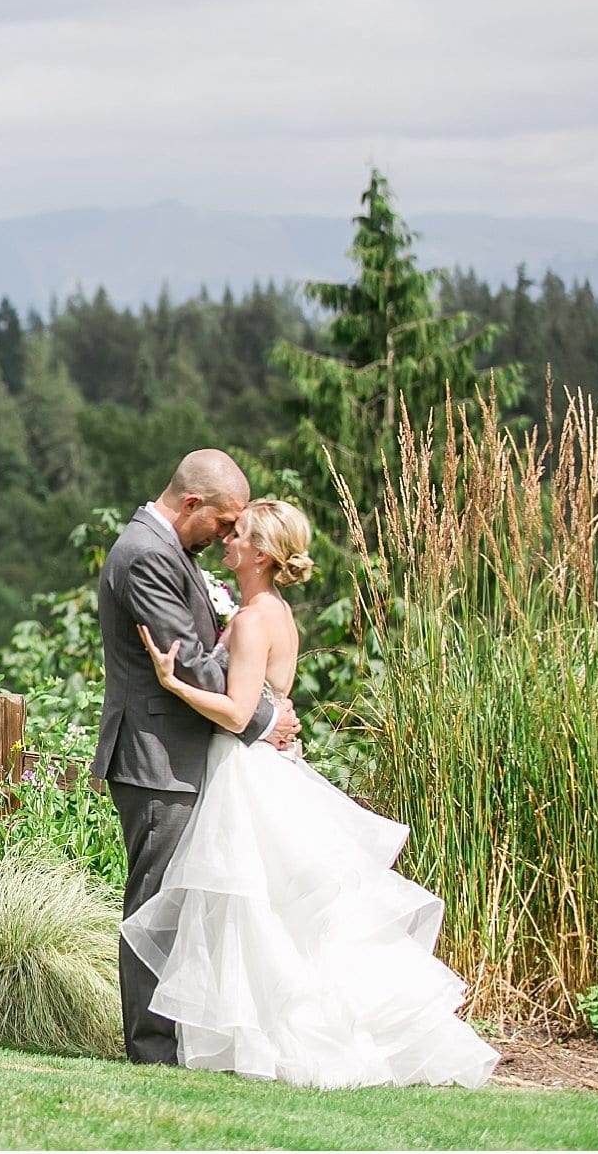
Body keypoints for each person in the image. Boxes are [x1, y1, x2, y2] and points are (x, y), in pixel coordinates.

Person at [123, 498, 500, 1088]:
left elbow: (239, 711)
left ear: (262, 553)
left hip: (248, 771)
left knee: (255, 907)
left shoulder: (251, 620)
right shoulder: (272, 611)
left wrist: (174, 682)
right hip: (260, 765)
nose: (227, 540)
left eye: (238, 534)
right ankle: (258, 1036)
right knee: (270, 909)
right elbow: (264, 701)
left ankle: (278, 1037)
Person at [93, 449, 299, 1066]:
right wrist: (263, 718)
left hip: (182, 752)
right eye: (223, 521)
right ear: (191, 504)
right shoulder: (146, 554)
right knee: (158, 903)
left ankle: (180, 1043)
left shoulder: (168, 549)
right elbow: (184, 657)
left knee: (185, 901)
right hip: (157, 756)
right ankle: (152, 1052)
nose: (227, 534)